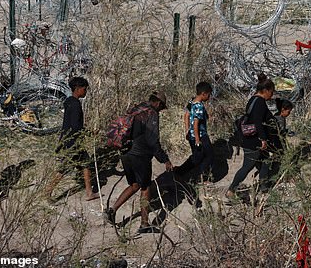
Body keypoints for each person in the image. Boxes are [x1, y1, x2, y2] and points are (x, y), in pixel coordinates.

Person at [106, 91, 173, 234]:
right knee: (145, 187)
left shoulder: (137, 109)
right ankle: (144, 224)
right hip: (140, 155)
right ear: (159, 103)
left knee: (134, 185)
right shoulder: (151, 114)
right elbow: (153, 141)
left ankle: (111, 210)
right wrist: (165, 159)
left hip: (125, 154)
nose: (161, 110)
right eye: (162, 107)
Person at [45, 77, 100, 203]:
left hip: (68, 139)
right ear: (78, 89)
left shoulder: (69, 101)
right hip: (73, 142)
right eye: (84, 89)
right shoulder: (75, 104)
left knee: (84, 164)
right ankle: (48, 191)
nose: (85, 92)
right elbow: (76, 125)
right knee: (65, 167)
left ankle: (89, 192)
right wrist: (89, 133)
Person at [226, 73, 275, 199]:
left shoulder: (253, 99)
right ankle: (231, 190)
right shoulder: (259, 102)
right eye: (272, 91)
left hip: (250, 138)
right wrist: (263, 139)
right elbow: (258, 122)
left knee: (265, 161)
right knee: (247, 166)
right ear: (266, 90)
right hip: (253, 141)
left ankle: (264, 188)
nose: (272, 94)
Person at [259, 98, 294, 192]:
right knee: (273, 164)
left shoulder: (279, 118)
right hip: (275, 147)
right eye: (288, 111)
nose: (289, 113)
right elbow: (277, 134)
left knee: (275, 164)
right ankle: (268, 183)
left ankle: (270, 182)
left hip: (276, 146)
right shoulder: (278, 119)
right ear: (282, 109)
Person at [186, 82, 214, 184]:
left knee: (197, 157)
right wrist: (198, 140)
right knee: (209, 156)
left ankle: (189, 174)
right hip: (201, 136)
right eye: (209, 94)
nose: (209, 97)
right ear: (203, 94)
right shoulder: (199, 106)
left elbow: (187, 115)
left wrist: (188, 131)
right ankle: (198, 176)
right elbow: (196, 123)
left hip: (193, 135)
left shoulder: (192, 102)